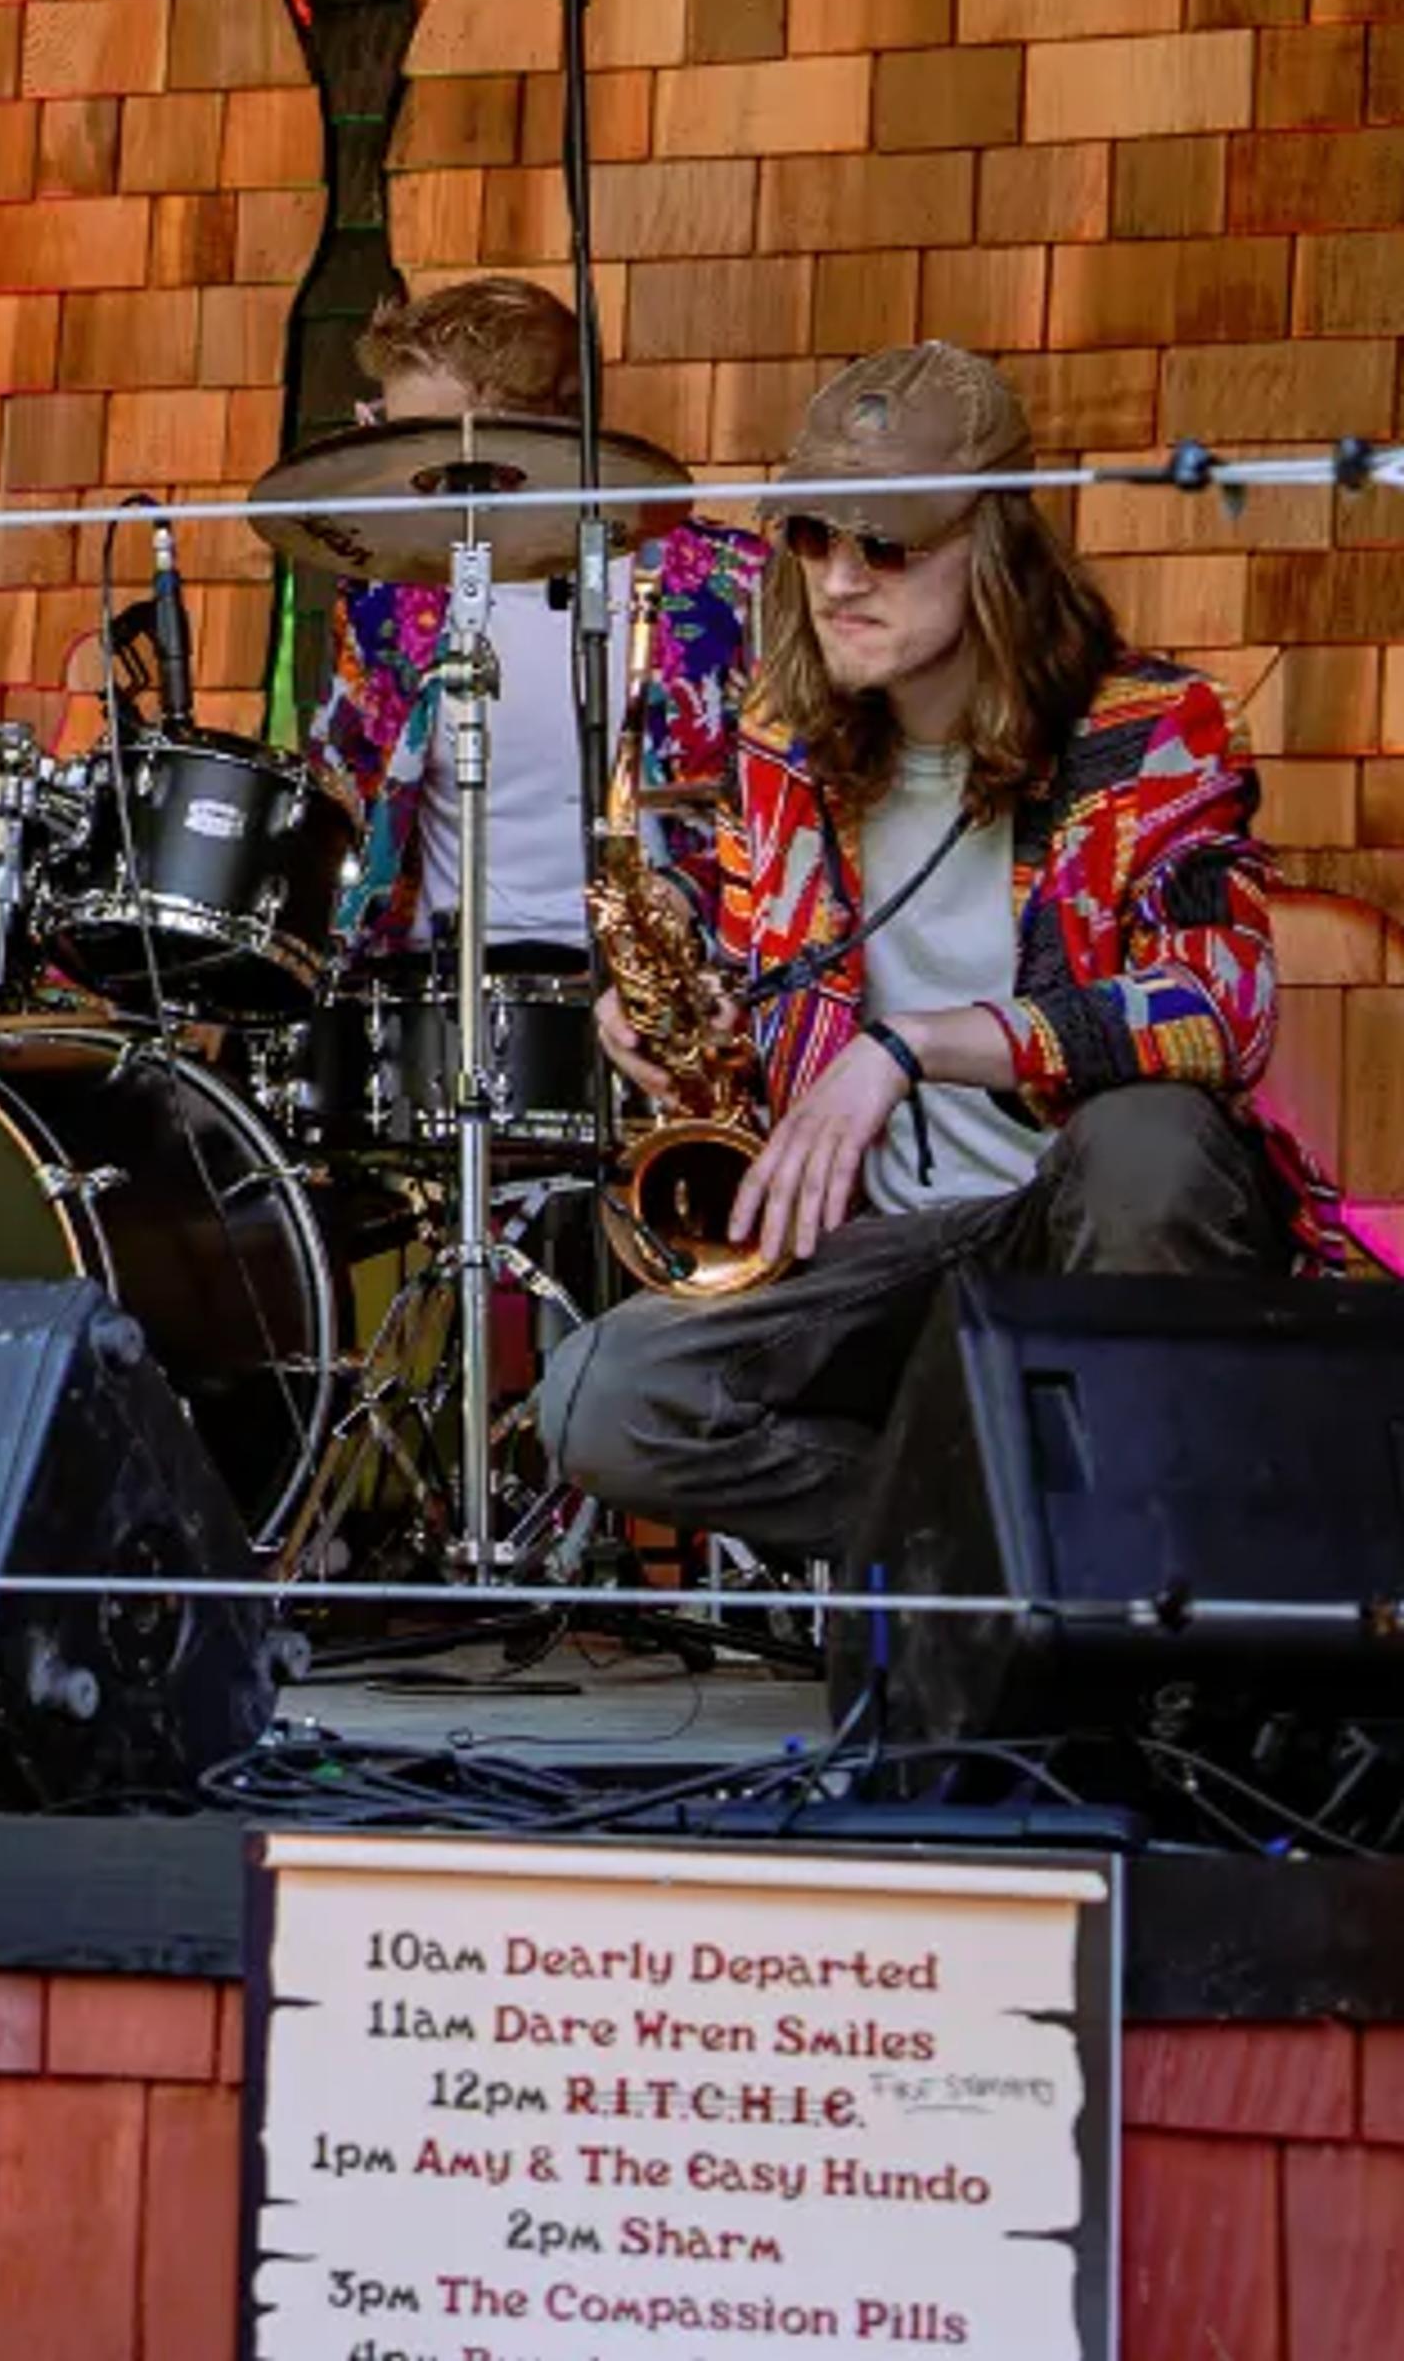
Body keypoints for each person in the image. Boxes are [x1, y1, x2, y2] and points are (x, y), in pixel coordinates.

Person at [535, 343, 1337, 1558]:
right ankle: (1000, 1560)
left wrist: (911, 1048)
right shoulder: (782, 750)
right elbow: (760, 958)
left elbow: (1219, 1003)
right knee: (601, 1402)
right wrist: (669, 1012)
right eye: (812, 539)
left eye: (889, 544)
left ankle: (1129, 1585)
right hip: (884, 1249)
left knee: (1152, 1139)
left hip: (1070, 1218)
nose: (841, 580)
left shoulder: (1150, 728)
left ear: (998, 549)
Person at [306, 278, 762, 979]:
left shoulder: (723, 587)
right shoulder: (387, 600)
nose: (396, 472)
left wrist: (687, 901)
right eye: (384, 433)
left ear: (541, 441)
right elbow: (333, 803)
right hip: (438, 988)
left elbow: (799, 818)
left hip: (675, 987)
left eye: (422, 448)